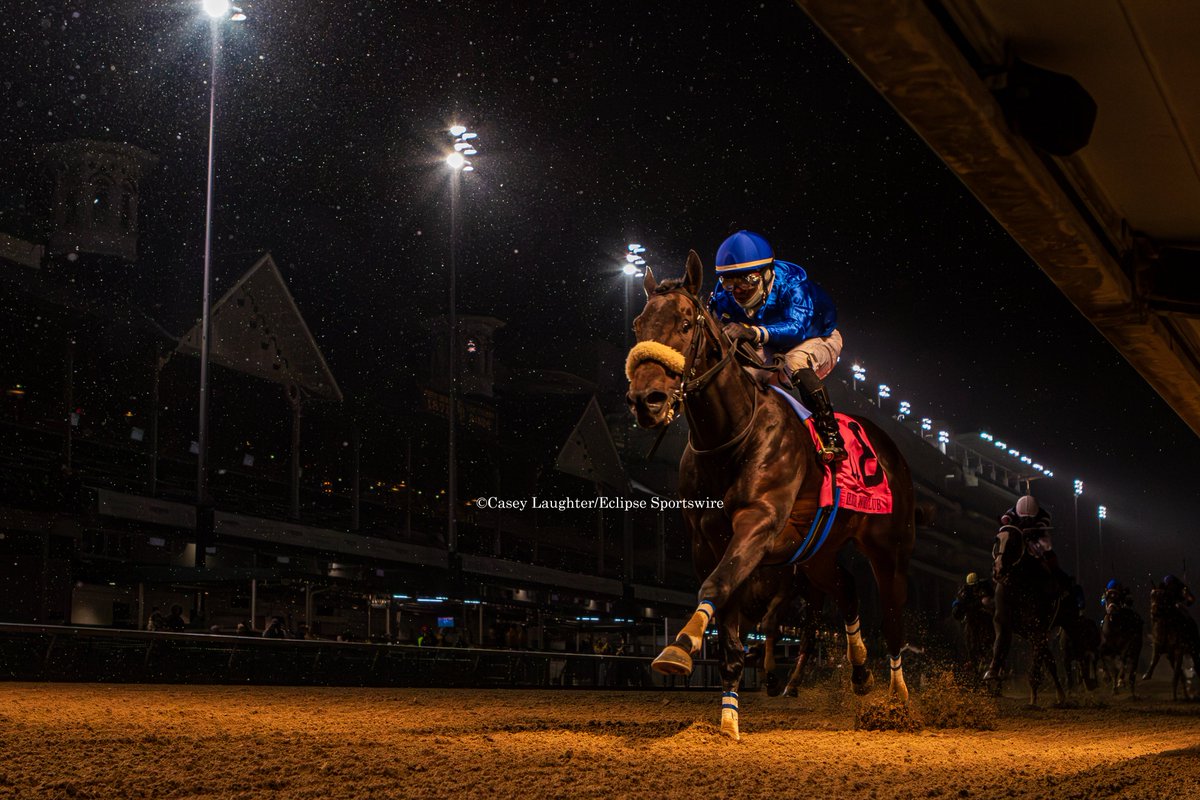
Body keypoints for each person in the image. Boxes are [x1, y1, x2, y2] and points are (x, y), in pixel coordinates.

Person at [708, 229, 846, 463]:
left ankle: (830, 433)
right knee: (743, 374)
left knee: (795, 361)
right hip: (770, 343)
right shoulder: (723, 297)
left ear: (766, 273)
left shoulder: (794, 285)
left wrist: (752, 332)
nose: (738, 290)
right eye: (729, 281)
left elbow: (796, 329)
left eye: (746, 279)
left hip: (816, 338)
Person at [998, 495, 1070, 593]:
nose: (1026, 520)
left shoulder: (1043, 514)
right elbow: (1005, 518)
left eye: (1029, 518)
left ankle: (1056, 572)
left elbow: (1044, 522)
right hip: (1018, 535)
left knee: (1046, 547)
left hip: (1037, 536)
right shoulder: (1012, 510)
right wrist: (1006, 521)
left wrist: (1037, 529)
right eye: (1023, 518)